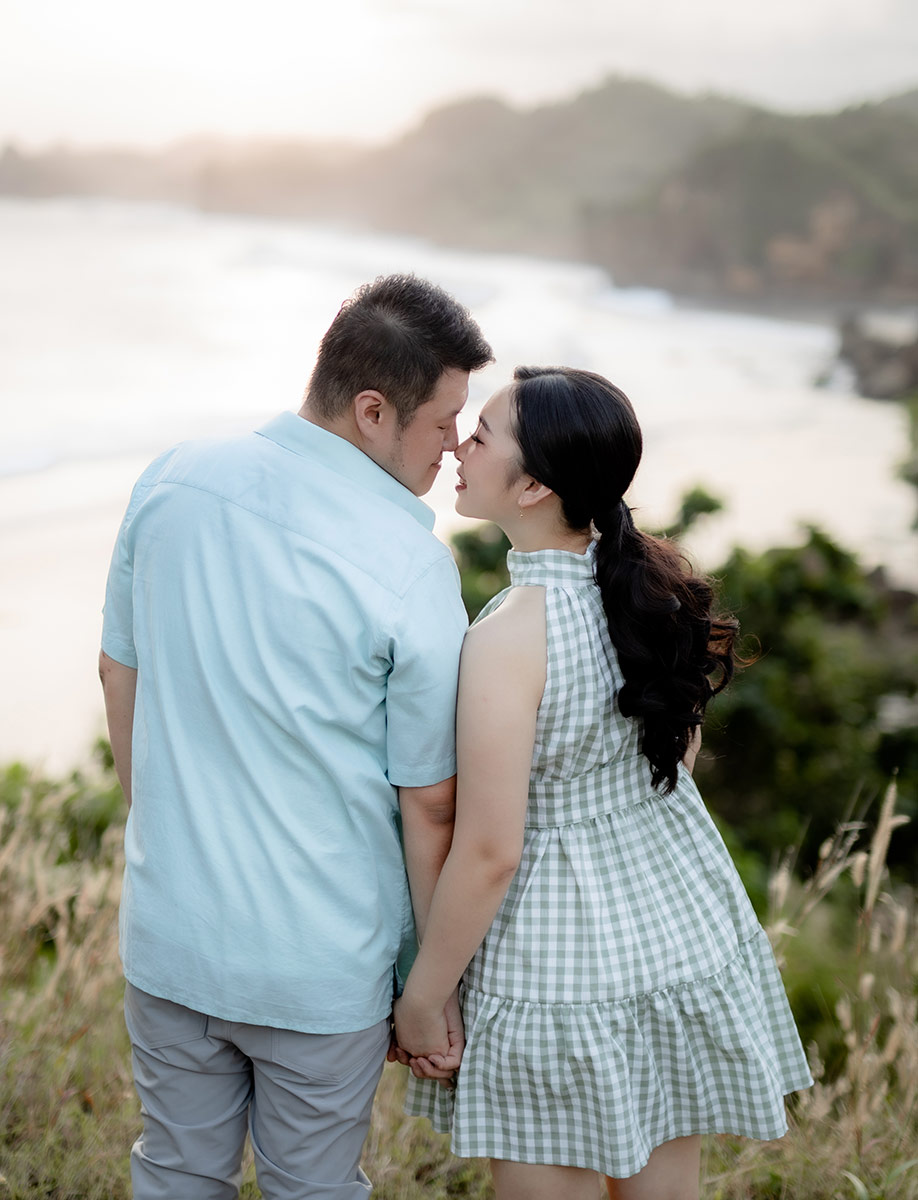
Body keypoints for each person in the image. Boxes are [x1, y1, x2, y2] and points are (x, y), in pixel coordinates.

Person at [98, 273, 492, 1200]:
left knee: (175, 1174)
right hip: (320, 965)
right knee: (312, 1189)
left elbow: (120, 674)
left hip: (171, 933)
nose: (452, 447)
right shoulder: (411, 566)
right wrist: (426, 984)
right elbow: (430, 802)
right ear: (372, 411)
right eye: (443, 423)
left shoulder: (172, 478)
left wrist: (164, 838)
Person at [394, 366, 813, 1200]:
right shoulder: (648, 592)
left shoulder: (513, 635)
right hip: (672, 931)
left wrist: (424, 997)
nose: (459, 449)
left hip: (555, 965)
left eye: (482, 436)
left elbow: (490, 850)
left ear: (535, 486)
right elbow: (675, 759)